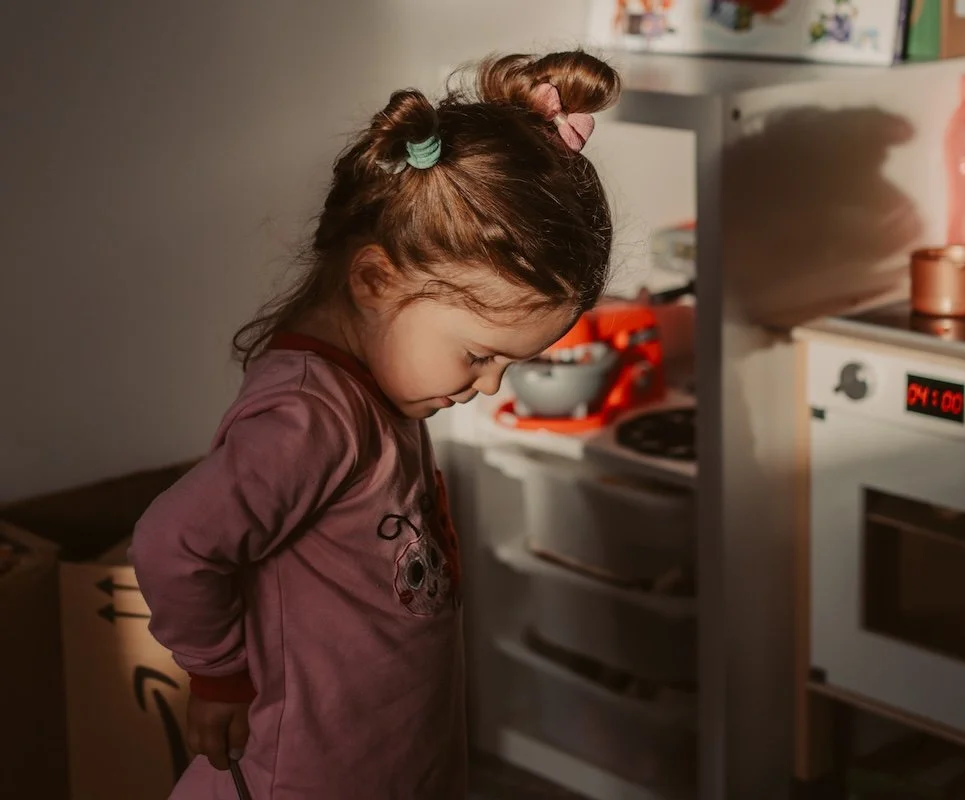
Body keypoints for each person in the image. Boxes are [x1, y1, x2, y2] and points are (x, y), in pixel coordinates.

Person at [130, 50, 620, 799]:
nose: (488, 385)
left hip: (389, 759)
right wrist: (217, 674)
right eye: (480, 355)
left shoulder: (378, 393)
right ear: (374, 279)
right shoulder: (309, 418)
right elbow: (175, 542)